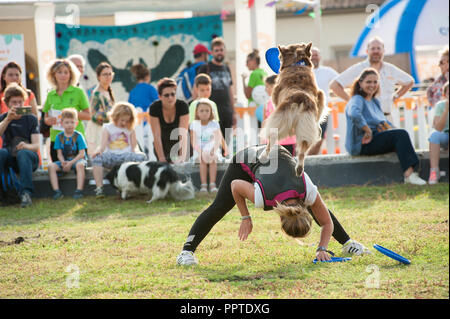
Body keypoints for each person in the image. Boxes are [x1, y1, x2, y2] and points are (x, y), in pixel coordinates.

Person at [176, 144, 370, 266]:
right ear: (281, 218)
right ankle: (186, 252)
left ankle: (348, 243)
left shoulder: (307, 189)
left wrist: (322, 248)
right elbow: (236, 186)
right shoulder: (262, 197)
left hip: (271, 157)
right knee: (218, 208)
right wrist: (246, 217)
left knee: (319, 206)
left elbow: (326, 221)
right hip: (244, 162)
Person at [344, 68, 426, 185]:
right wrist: (367, 129)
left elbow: (384, 123)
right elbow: (354, 114)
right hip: (362, 143)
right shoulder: (357, 99)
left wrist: (395, 132)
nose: (372, 85)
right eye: (368, 82)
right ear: (360, 83)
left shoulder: (374, 102)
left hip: (375, 138)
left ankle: (413, 172)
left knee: (400, 134)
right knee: (400, 134)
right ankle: (409, 176)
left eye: (375, 82)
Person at [330, 37, 414, 122]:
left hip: (386, 118)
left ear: (383, 51)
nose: (376, 51)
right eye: (373, 48)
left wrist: (395, 96)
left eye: (378, 48)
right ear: (367, 51)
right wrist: (352, 102)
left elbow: (409, 81)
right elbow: (334, 85)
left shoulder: (390, 69)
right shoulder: (358, 69)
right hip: (366, 119)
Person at [91, 102, 147, 198]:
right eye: (122, 120)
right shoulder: (108, 128)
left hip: (126, 158)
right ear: (115, 116)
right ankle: (99, 188)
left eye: (127, 121)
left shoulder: (130, 129)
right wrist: (98, 150)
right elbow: (102, 146)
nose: (124, 123)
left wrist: (137, 153)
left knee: (142, 156)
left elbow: (134, 147)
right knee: (96, 158)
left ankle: (140, 187)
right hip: (112, 156)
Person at [42, 59, 91, 162]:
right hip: (56, 140)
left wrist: (71, 113)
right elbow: (45, 117)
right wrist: (48, 120)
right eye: (59, 72)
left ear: (71, 74)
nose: (63, 75)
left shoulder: (78, 92)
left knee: (79, 170)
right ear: (53, 74)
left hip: (76, 138)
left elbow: (88, 115)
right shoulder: (50, 94)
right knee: (59, 170)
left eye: (66, 72)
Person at [0, 83, 40, 207]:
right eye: (14, 102)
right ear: (7, 104)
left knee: (23, 153)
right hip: (10, 156)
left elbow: (36, 145)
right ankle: (3, 193)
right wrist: (8, 119)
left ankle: (26, 193)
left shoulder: (31, 119)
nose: (17, 105)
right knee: (1, 153)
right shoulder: (4, 118)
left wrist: (26, 146)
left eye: (20, 102)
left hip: (28, 157)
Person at [197, 37, 236, 145]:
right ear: (212, 52)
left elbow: (230, 91)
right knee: (210, 143)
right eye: (216, 50)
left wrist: (233, 112)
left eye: (221, 50)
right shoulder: (205, 68)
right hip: (211, 112)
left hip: (226, 112)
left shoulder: (226, 68)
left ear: (225, 51)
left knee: (226, 143)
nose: (219, 53)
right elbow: (196, 90)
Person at [48, 108, 88, 200]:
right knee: (51, 166)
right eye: (67, 122)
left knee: (80, 165)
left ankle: (79, 190)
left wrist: (70, 163)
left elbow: (82, 154)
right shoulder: (59, 137)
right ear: (61, 123)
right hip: (65, 161)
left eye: (72, 122)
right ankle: (57, 191)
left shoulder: (78, 136)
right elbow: (59, 153)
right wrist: (63, 162)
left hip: (77, 160)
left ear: (76, 123)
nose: (70, 125)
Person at [149, 78, 189, 163]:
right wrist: (161, 158)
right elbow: (156, 136)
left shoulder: (183, 106)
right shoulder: (154, 108)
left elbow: (183, 134)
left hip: (180, 145)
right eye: (166, 95)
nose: (170, 97)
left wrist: (182, 157)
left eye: (173, 94)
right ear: (160, 97)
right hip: (163, 147)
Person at [190, 98, 227, 193]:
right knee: (202, 159)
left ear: (211, 112)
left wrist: (213, 150)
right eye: (201, 111)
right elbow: (194, 142)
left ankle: (212, 184)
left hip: (212, 149)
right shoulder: (194, 124)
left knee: (212, 158)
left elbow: (218, 139)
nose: (204, 113)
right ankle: (203, 184)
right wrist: (200, 152)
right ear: (197, 112)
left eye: (207, 111)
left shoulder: (214, 124)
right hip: (199, 150)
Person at [308, 47, 339, 155]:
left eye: (316, 55)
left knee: (319, 140)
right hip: (305, 112)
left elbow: (341, 82)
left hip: (321, 112)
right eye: (311, 55)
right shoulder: (301, 71)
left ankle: (309, 163)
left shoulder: (327, 71)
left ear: (320, 57)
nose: (314, 57)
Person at [85, 62, 115, 156]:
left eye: (110, 74)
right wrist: (113, 117)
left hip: (107, 130)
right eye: (105, 74)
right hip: (98, 131)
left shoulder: (108, 91)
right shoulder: (97, 94)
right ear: (98, 77)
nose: (108, 76)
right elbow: (94, 115)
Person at [263, 75, 296, 156]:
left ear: (274, 86)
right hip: (272, 143)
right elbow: (265, 123)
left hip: (287, 141)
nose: (265, 89)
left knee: (289, 165)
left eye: (267, 86)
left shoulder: (287, 101)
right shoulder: (267, 104)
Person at [428, 81, 449, 185]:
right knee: (434, 135)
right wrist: (446, 111)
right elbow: (438, 128)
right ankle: (434, 171)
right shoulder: (441, 105)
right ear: (445, 95)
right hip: (444, 134)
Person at [242, 49, 267, 128]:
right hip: (264, 109)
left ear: (253, 61)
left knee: (256, 135)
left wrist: (243, 80)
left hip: (255, 109)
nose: (246, 64)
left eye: (247, 61)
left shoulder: (254, 74)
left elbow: (248, 95)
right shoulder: (264, 72)